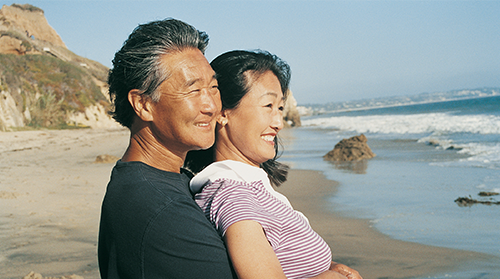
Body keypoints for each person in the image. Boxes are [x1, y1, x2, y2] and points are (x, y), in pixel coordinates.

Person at [184, 50, 362, 279]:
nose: (278, 123)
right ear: (223, 113)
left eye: (280, 108)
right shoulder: (235, 198)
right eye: (268, 106)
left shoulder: (252, 189)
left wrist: (332, 266)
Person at [97, 19, 236, 278]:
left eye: (213, 88)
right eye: (193, 90)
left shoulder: (147, 182)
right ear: (143, 104)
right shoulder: (163, 209)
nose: (210, 105)